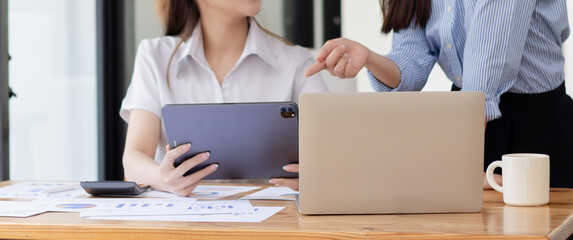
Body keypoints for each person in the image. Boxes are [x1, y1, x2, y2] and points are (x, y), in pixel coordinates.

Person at [274, 0, 573, 190]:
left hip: (537, 130)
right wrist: (368, 58)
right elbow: (412, 62)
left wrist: (460, 172)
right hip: (466, 122)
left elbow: (487, 68)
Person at [119, 0, 328, 196]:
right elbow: (133, 159)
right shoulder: (155, 57)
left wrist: (319, 175)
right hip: (182, 225)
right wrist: (163, 179)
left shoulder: (298, 63)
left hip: (273, 225)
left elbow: (336, 156)